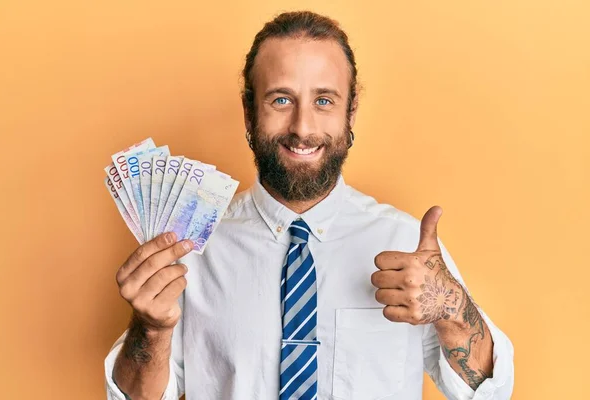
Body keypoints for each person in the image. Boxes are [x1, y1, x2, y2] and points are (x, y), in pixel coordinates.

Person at [104, 11, 514, 400]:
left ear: (350, 111)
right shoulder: (190, 247)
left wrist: (453, 309)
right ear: (249, 113)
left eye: (324, 101)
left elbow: (492, 393)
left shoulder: (407, 246)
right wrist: (151, 330)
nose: (303, 128)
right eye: (281, 100)